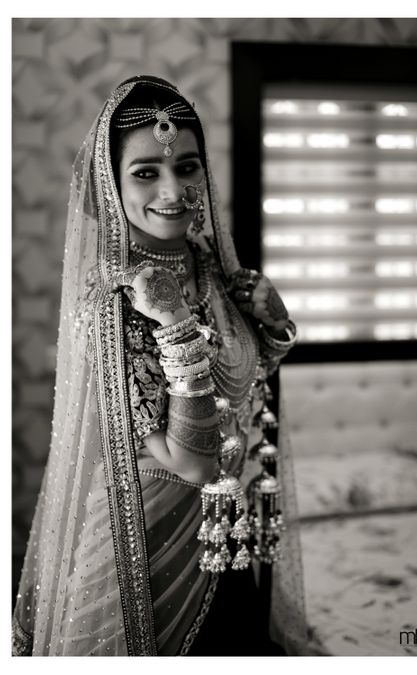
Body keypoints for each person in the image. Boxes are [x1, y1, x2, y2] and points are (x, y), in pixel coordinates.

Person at [12, 75, 307, 656]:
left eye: (188, 167)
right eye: (145, 172)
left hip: (226, 526)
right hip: (149, 544)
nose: (174, 190)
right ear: (111, 184)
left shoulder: (211, 269)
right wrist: (172, 324)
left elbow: (238, 387)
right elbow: (190, 461)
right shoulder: (117, 304)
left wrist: (273, 327)